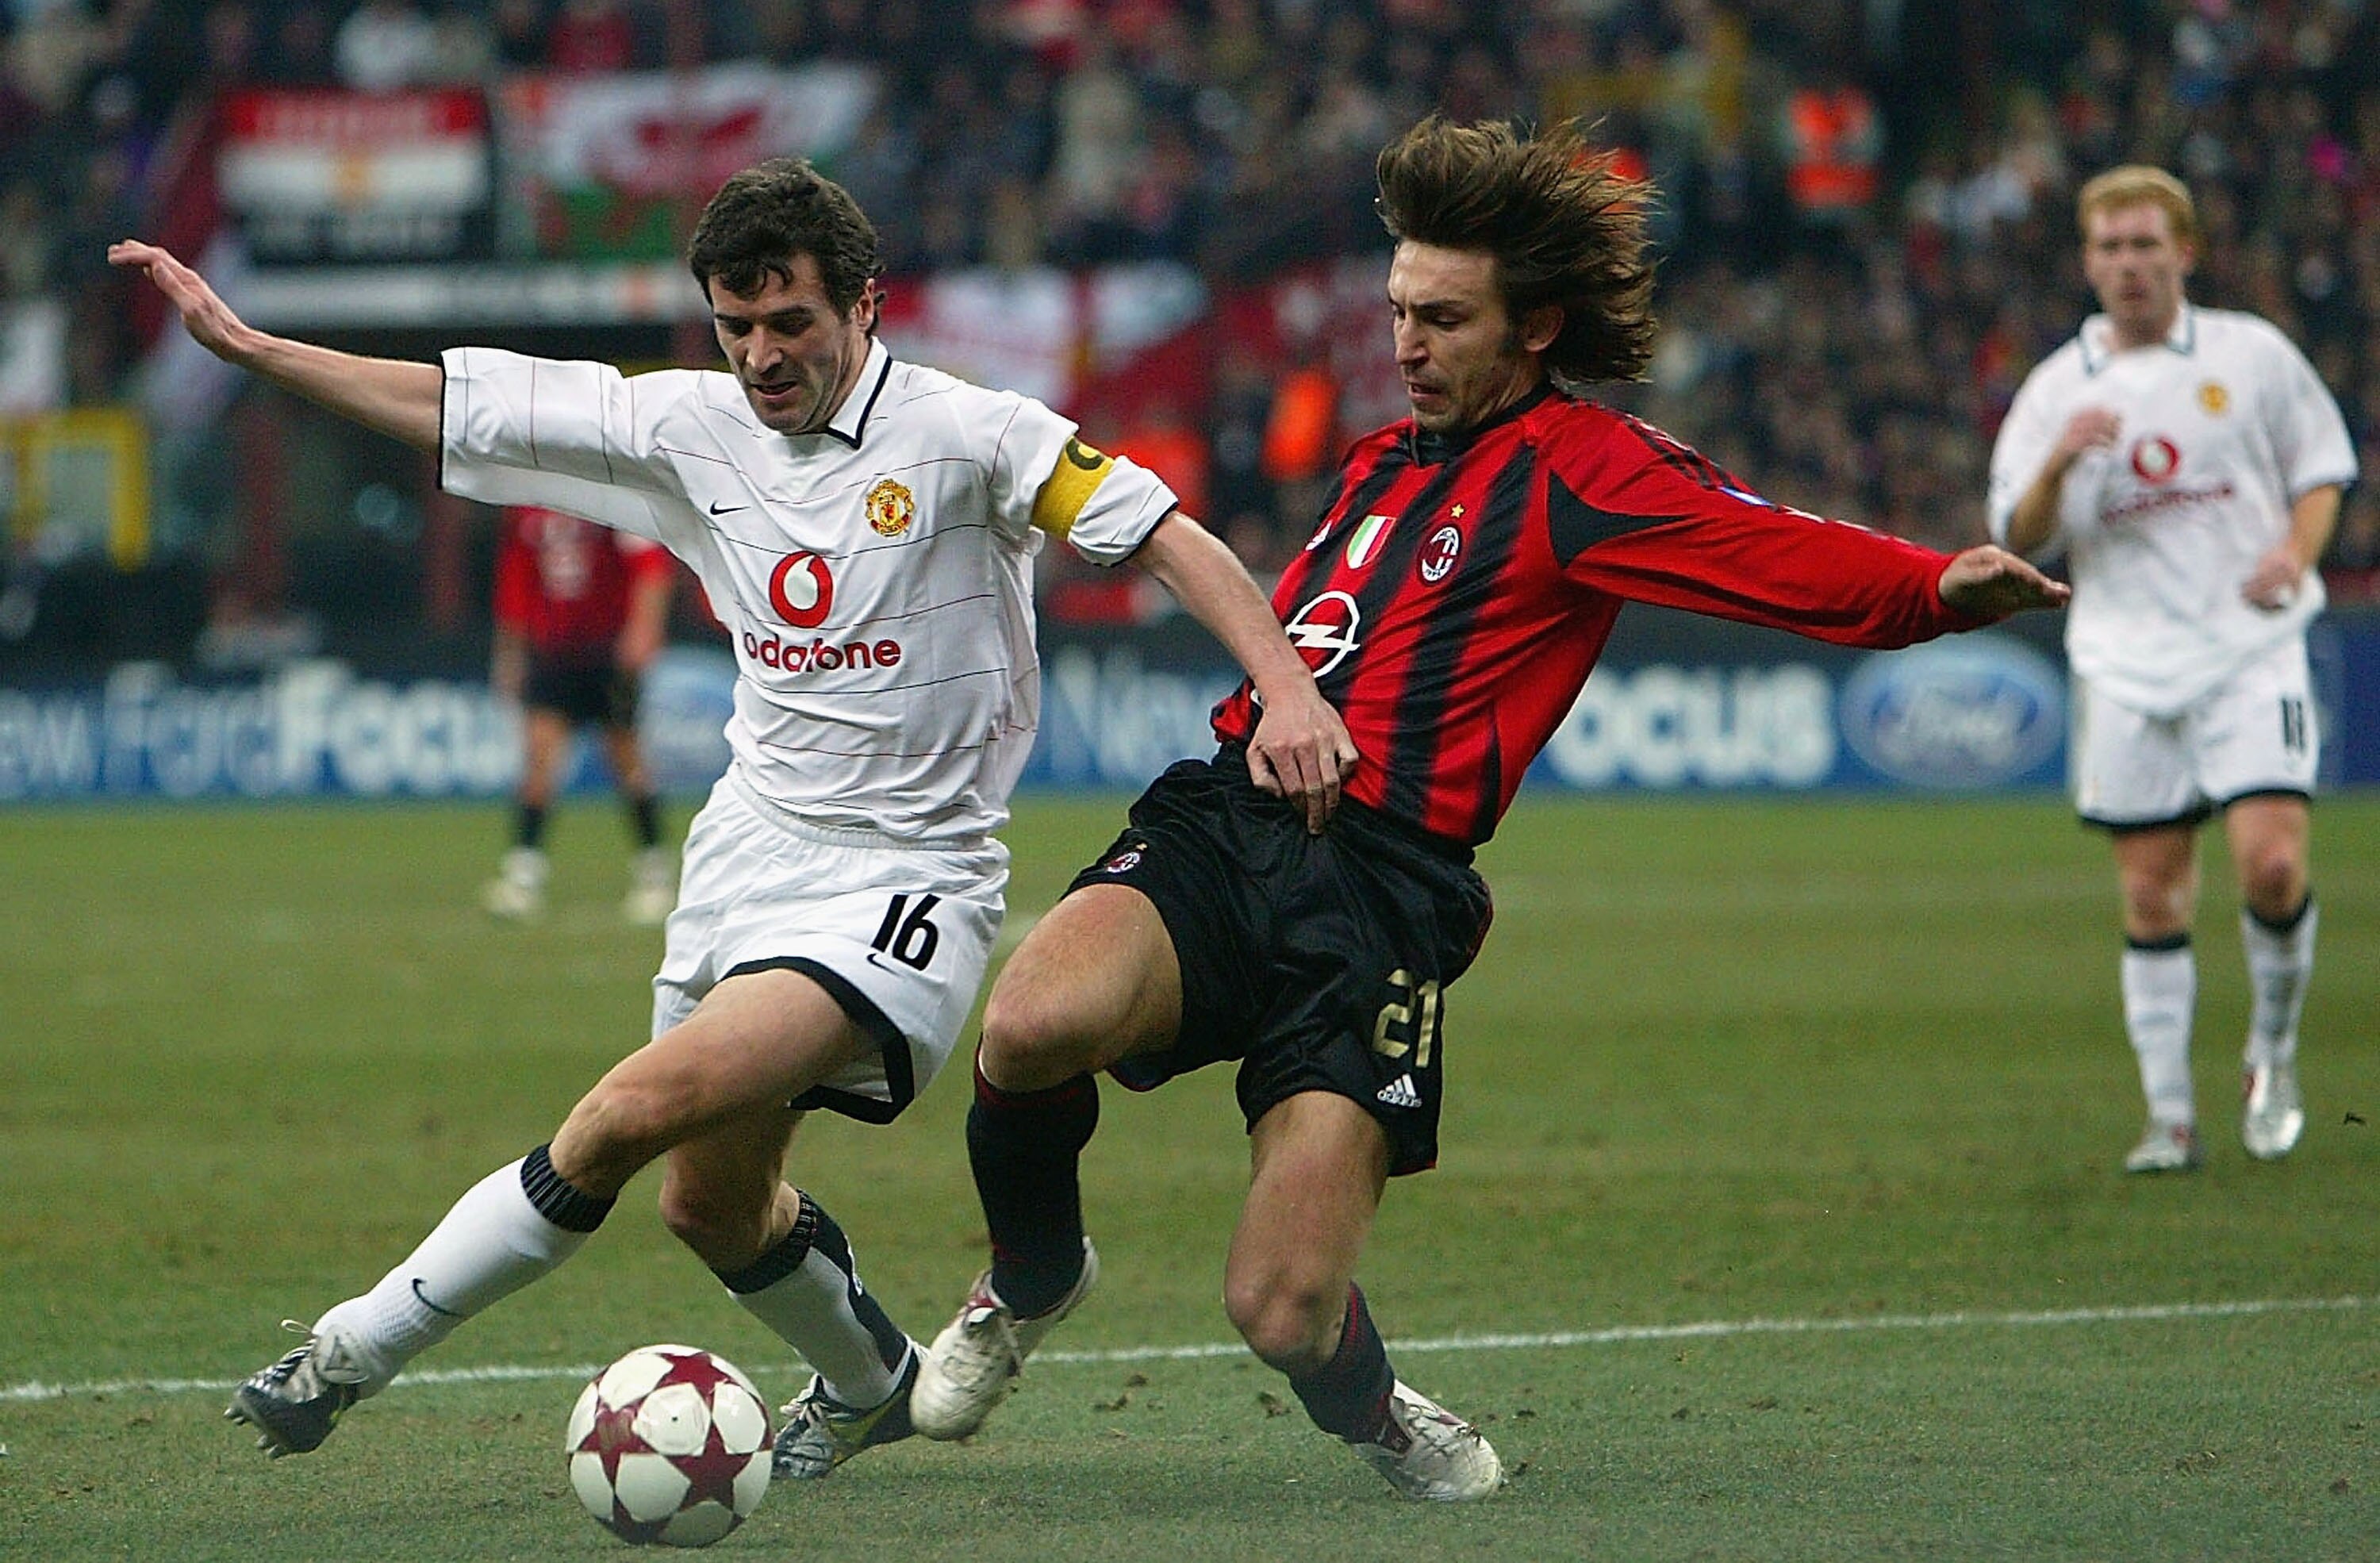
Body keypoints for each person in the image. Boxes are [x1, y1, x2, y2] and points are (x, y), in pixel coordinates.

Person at [109, 156, 1353, 1480]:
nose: (761, 355)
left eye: (791, 323)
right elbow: (453, 403)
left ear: (864, 306)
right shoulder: (686, 430)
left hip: (905, 883)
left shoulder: (974, 436)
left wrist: (1282, 686)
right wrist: (249, 347)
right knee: (709, 1205)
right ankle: (875, 1380)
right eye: (737, 326)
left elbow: (1167, 535)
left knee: (624, 1116)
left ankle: (343, 1355)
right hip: (747, 856)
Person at [904, 115, 2069, 1503]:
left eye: (1443, 319)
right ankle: (1029, 1278)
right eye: (1398, 311)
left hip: (1386, 893)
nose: (1406, 343)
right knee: (1032, 1023)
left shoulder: (1588, 466)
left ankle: (1380, 1414)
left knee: (1279, 1311)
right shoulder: (1376, 465)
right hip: (1231, 825)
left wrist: (1934, 592)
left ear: (1535, 329)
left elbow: (1766, 548)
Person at [1987, 165, 2354, 1175]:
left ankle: (2271, 1055)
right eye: (2109, 248)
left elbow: (2323, 466)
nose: (2128, 265)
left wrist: (2296, 552)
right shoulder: (2058, 388)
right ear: (2087, 260)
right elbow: (2017, 534)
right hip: (2124, 658)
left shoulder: (2252, 354)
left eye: (2146, 245)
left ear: (2184, 253)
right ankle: (2170, 1115)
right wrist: (2060, 460)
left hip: (2248, 643)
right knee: (2152, 893)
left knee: (2273, 865)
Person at [483, 502, 681, 925]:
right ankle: (523, 875)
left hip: (607, 650)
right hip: (552, 649)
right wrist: (511, 651)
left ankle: (653, 871)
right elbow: (515, 581)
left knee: (626, 762)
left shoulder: (605, 495)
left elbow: (650, 565)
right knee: (539, 759)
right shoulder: (524, 507)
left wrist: (644, 629)